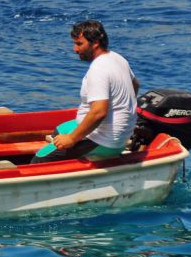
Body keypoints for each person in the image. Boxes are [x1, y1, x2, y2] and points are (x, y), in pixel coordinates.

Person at [33, 20, 140, 163]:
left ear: (95, 42)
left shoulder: (98, 70)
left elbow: (99, 112)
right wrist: (121, 112)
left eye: (79, 44)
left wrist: (71, 138)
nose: (75, 49)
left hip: (104, 140)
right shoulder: (117, 58)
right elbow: (135, 85)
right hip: (121, 134)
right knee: (59, 131)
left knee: (38, 160)